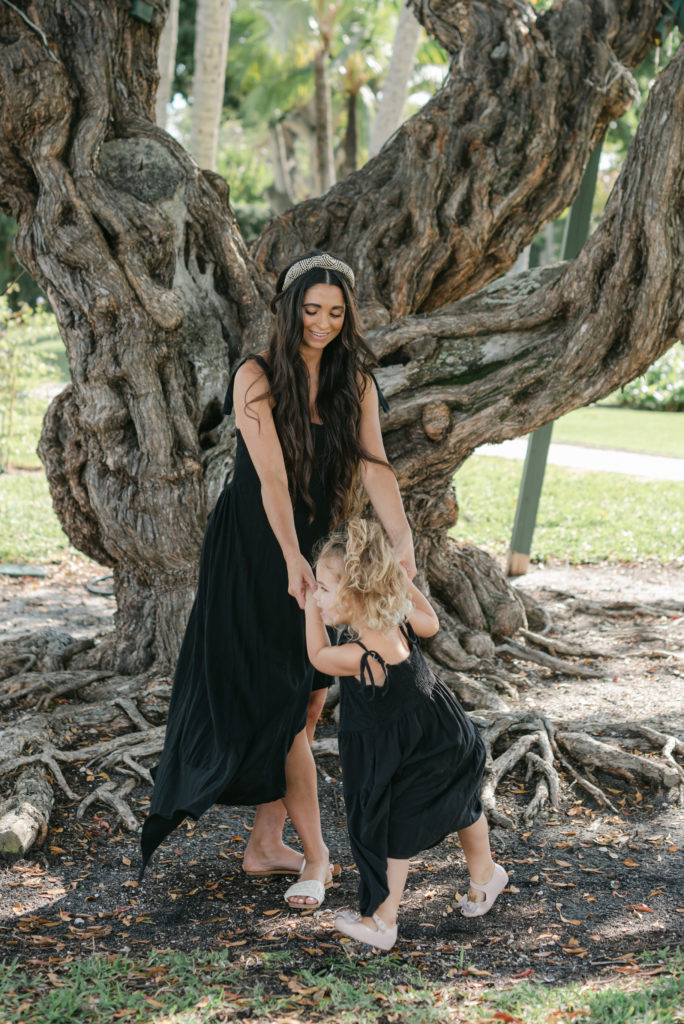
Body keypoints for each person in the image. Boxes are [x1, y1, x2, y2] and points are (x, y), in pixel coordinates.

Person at [139, 251, 416, 910]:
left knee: (312, 697)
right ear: (290, 311)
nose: (321, 323)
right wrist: (291, 556)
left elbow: (376, 467)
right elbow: (269, 480)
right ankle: (318, 855)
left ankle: (266, 842)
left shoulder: (357, 383)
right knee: (289, 700)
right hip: (257, 549)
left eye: (334, 312)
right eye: (311, 310)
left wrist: (404, 541)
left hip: (315, 545)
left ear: (346, 318)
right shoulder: (256, 377)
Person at [304, 518, 508, 949]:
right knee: (463, 806)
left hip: (422, 748)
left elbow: (320, 656)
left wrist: (307, 606)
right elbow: (431, 621)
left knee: (392, 832)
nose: (318, 594)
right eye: (316, 588)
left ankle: (382, 923)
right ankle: (486, 875)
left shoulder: (362, 653)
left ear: (356, 593)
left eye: (323, 587)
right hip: (444, 738)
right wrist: (398, 580)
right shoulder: (394, 614)